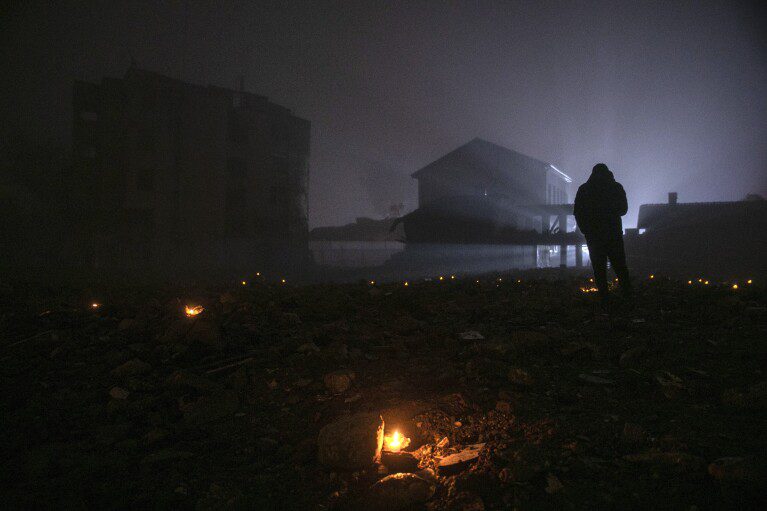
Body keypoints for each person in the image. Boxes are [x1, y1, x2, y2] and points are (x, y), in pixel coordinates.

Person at [573, 163, 631, 302]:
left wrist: (585, 229)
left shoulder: (584, 189)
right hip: (613, 234)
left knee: (599, 268)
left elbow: (578, 212)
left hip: (594, 236)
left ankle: (604, 297)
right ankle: (628, 295)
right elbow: (623, 210)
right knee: (620, 267)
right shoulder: (616, 187)